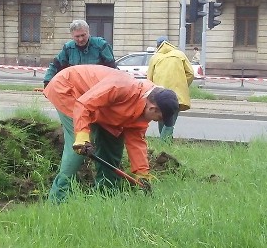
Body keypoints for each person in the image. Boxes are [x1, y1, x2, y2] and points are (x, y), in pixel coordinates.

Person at [43, 64, 180, 203]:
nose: (157, 121)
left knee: (113, 142)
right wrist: (82, 136)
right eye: (160, 118)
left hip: (98, 107)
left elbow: (136, 141)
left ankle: (106, 195)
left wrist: (142, 173)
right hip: (70, 90)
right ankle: (57, 199)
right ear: (153, 108)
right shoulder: (122, 87)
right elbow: (83, 105)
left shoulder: (143, 110)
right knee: (78, 147)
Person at [147, 36, 194, 141]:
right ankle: (165, 143)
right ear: (169, 43)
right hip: (176, 96)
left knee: (161, 119)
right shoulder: (180, 54)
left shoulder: (155, 57)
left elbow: (149, 78)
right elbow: (190, 73)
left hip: (158, 95)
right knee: (170, 122)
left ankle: (164, 143)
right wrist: (182, 84)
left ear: (157, 46)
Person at [42, 19, 115, 87]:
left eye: (83, 35)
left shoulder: (101, 45)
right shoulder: (68, 48)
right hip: (76, 88)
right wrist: (47, 81)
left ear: (88, 32)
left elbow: (112, 68)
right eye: (77, 36)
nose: (80, 39)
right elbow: (55, 65)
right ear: (72, 36)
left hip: (97, 87)